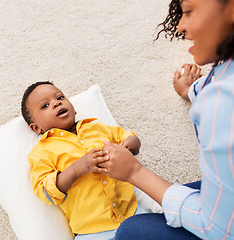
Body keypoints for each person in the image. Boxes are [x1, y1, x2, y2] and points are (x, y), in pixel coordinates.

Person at [99, 0, 234, 239]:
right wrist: (190, 90)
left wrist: (134, 172)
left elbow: (219, 229)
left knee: (132, 231)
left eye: (189, 11)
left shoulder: (221, 101)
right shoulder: (220, 81)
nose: (180, 25)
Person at [21, 81, 144, 239]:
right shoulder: (42, 151)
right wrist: (77, 169)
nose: (56, 103)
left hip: (134, 213)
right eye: (45, 106)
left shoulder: (97, 128)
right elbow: (45, 190)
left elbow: (129, 137)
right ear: (36, 128)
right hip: (92, 232)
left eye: (60, 97)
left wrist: (129, 146)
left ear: (74, 108)